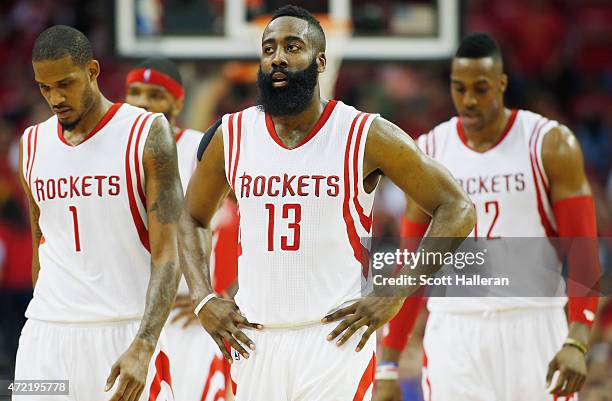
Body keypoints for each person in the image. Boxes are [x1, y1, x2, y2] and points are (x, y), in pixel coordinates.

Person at [179, 6, 475, 401]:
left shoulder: (364, 134)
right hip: (253, 342)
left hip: (334, 341)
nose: (277, 57)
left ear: (320, 62)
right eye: (268, 49)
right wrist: (203, 297)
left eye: (292, 46)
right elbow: (189, 217)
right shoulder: (232, 135)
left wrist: (397, 290)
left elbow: (457, 208)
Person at [374, 33, 600, 401]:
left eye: (480, 89)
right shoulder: (429, 152)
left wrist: (577, 338)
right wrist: (388, 365)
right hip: (456, 331)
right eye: (459, 89)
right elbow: (410, 262)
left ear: (502, 84)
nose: (469, 100)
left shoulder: (549, 143)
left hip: (534, 324)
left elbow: (583, 252)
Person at [14, 26, 183, 401]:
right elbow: (42, 242)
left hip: (122, 331)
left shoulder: (146, 133)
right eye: (44, 88)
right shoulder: (31, 143)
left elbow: (169, 253)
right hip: (45, 336)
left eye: (65, 84)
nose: (55, 98)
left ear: (92, 71)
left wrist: (145, 344)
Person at [125, 58, 231, 401]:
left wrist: (222, 291)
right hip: (127, 311)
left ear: (177, 103)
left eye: (155, 95)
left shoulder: (203, 149)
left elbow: (243, 225)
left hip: (188, 314)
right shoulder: (111, 152)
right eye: (135, 93)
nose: (143, 102)